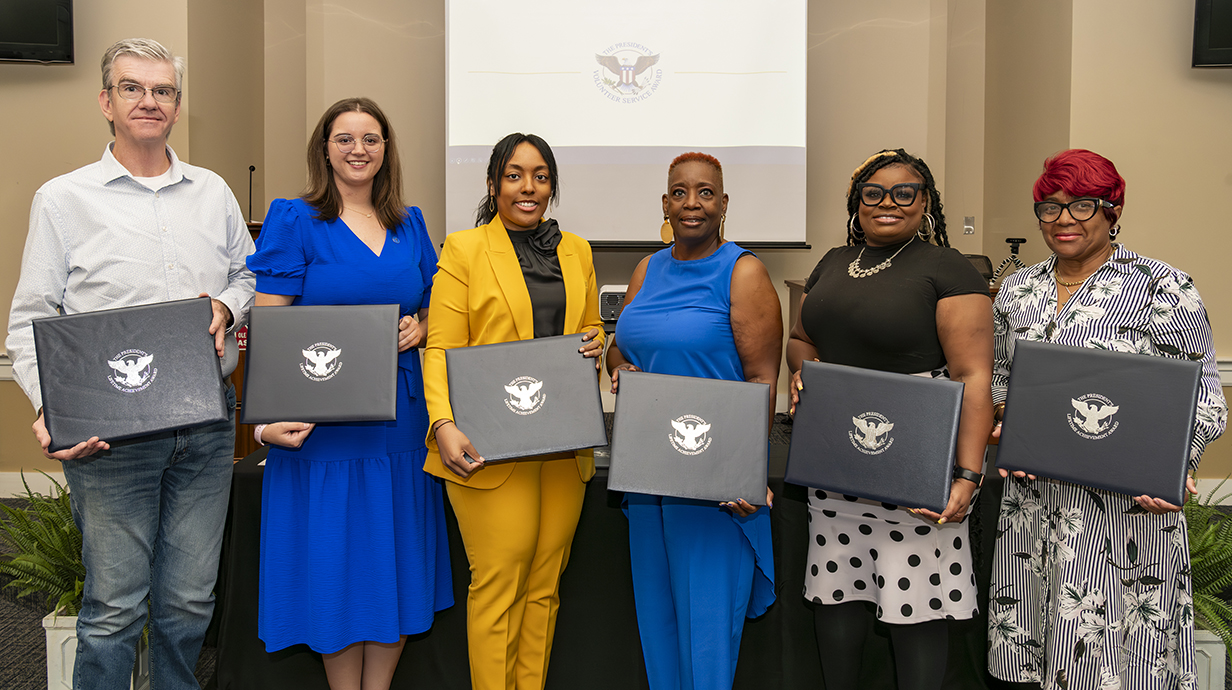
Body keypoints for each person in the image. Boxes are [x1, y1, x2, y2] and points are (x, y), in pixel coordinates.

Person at [4, 38, 255, 690]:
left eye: (163, 90)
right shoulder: (63, 199)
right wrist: (52, 408)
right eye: (133, 88)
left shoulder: (214, 192)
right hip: (108, 434)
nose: (150, 100)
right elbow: (31, 318)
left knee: (190, 602)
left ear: (176, 106)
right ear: (106, 102)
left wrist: (228, 306)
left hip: (204, 422)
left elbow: (248, 276)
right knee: (114, 609)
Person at [986, 149, 1227, 689]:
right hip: (1035, 502)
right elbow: (1003, 383)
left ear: (1112, 211)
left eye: (1082, 206)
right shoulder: (1018, 290)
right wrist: (1010, 427)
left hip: (1126, 510)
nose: (1063, 220)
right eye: (1049, 207)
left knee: (1118, 662)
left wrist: (1175, 467)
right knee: (1033, 651)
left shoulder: (1161, 286)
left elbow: (1204, 393)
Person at [246, 97, 452, 690]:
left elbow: (438, 296)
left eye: (371, 138)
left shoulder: (410, 222)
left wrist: (425, 321)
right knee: (336, 566)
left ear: (386, 149)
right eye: (345, 138)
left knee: (393, 563)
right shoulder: (294, 218)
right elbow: (271, 326)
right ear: (324, 149)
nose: (358, 149)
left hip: (400, 424)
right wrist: (263, 422)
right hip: (324, 428)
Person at [785, 149, 993, 690]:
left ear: (925, 202)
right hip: (838, 460)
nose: (888, 203)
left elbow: (973, 374)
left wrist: (967, 473)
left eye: (905, 192)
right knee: (837, 596)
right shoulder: (833, 260)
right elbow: (802, 338)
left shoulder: (949, 267)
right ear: (856, 204)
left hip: (914, 459)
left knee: (916, 604)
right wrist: (803, 374)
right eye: (872, 193)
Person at [421, 132, 604, 690]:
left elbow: (588, 326)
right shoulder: (465, 249)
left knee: (545, 586)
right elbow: (441, 347)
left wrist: (594, 340)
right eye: (515, 174)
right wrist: (442, 424)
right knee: (499, 585)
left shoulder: (577, 249)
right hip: (487, 444)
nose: (529, 187)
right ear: (493, 183)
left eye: (541, 175)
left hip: (562, 443)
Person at [604, 152, 781, 690]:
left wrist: (749, 473)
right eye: (680, 192)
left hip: (713, 483)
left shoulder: (743, 271)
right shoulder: (647, 268)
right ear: (665, 203)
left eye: (705, 193)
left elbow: (762, 381)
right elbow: (618, 347)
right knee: (659, 627)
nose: (692, 203)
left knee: (706, 638)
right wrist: (620, 367)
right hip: (648, 476)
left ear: (723, 204)